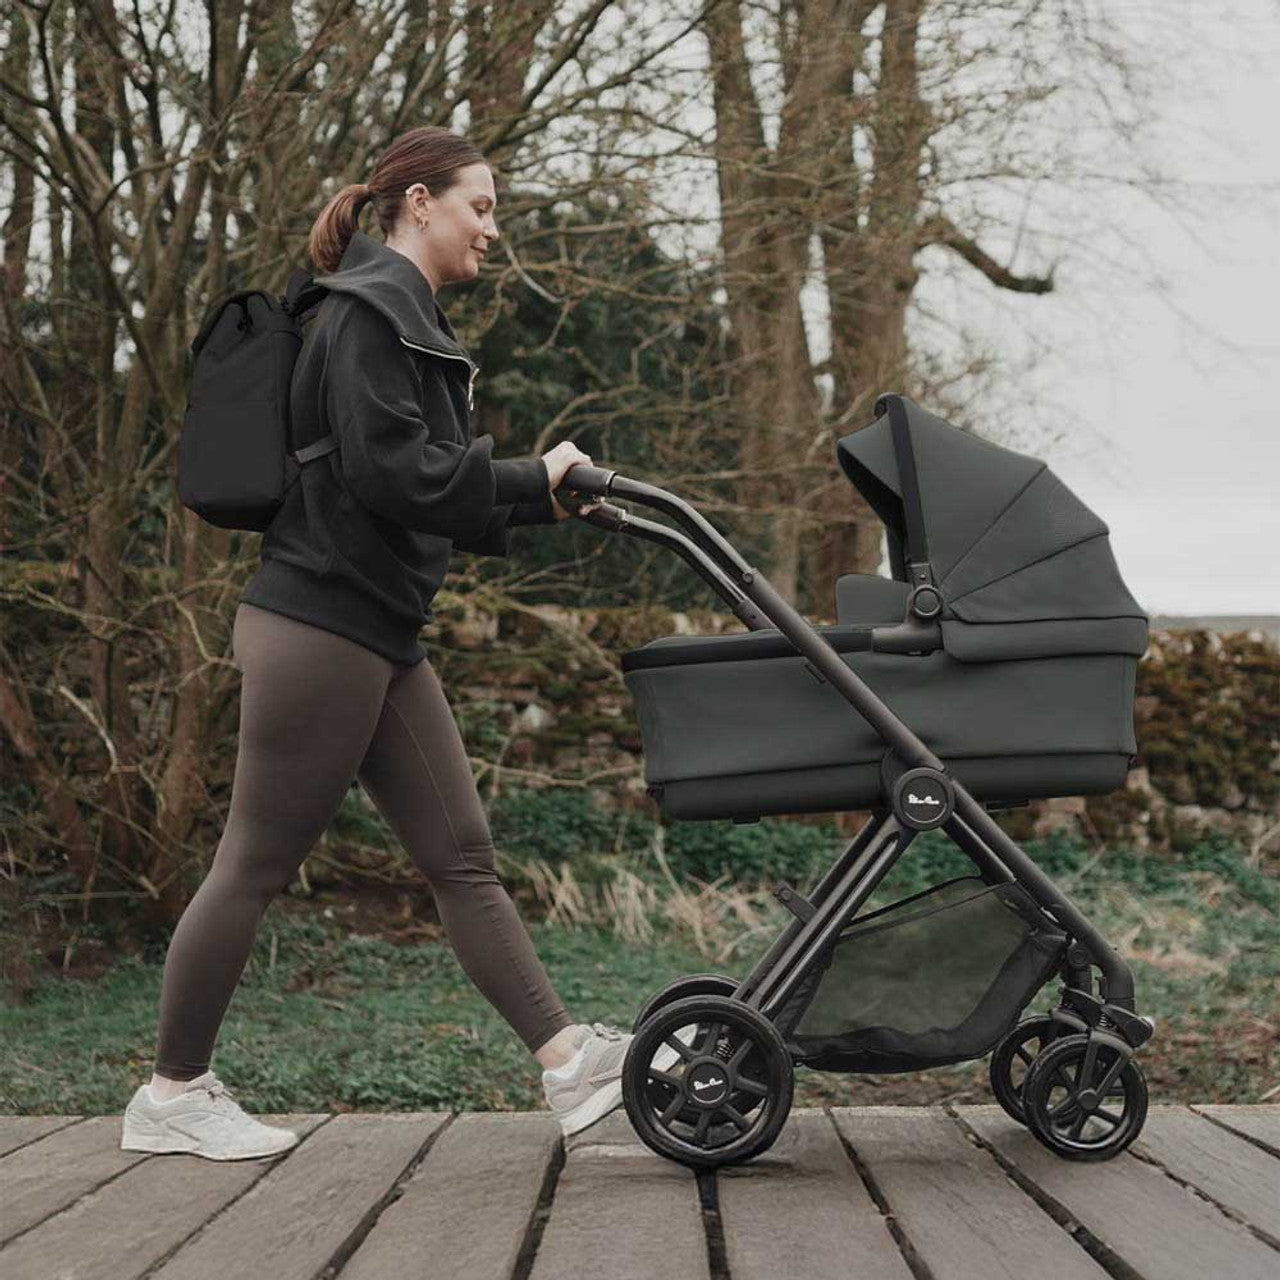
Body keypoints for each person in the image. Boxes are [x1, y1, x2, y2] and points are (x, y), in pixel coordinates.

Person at [121, 126, 668, 1161]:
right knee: (254, 862)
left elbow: (413, 478)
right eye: (480, 207)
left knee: (462, 857)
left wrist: (542, 496)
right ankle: (172, 1093)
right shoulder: (369, 313)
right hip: (320, 624)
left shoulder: (397, 314)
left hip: (374, 627)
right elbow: (394, 473)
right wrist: (530, 476)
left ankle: (568, 1065)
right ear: (420, 202)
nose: (492, 230)